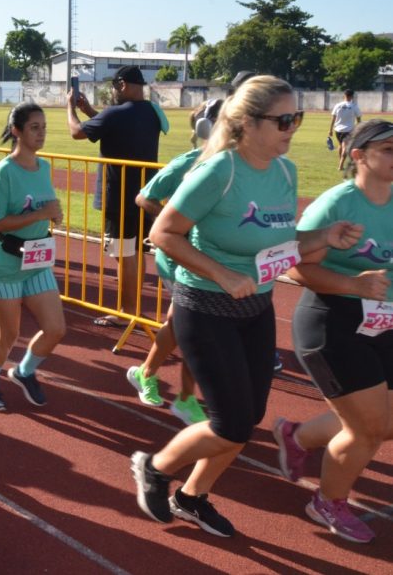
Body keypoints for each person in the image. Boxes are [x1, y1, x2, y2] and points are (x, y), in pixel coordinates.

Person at [132, 75, 361, 539]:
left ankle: (191, 497)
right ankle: (154, 467)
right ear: (248, 123)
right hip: (205, 305)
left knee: (249, 416)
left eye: (296, 116)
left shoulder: (284, 171)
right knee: (231, 423)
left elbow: (280, 242)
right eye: (284, 119)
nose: (293, 126)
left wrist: (323, 238)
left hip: (255, 307)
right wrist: (223, 273)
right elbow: (163, 233)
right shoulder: (219, 171)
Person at [274, 119, 393, 543]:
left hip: (383, 320)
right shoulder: (337, 204)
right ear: (358, 155)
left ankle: (297, 435)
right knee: (367, 430)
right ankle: (326, 501)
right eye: (390, 149)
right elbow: (292, 263)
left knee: (385, 422)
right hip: (332, 321)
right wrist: (353, 284)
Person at [0, 102, 66, 410]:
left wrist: (53, 215)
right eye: (34, 127)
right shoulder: (4, 172)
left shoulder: (44, 167)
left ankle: (24, 371)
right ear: (16, 131)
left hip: (37, 260)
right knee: (9, 333)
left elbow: (43, 206)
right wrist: (40, 212)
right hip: (5, 262)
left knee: (56, 328)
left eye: (44, 127)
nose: (41, 134)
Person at [68, 65, 165, 320]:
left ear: (122, 84)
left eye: (113, 87)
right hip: (145, 196)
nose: (112, 93)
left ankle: (126, 312)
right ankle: (134, 309)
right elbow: (117, 127)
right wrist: (89, 111)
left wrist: (70, 107)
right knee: (136, 252)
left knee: (123, 254)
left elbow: (77, 132)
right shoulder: (151, 112)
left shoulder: (115, 113)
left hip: (118, 196)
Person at [127, 134, 209, 426]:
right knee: (193, 328)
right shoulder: (186, 164)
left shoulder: (238, 166)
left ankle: (146, 373)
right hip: (177, 260)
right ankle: (185, 396)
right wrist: (173, 225)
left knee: (178, 325)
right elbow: (143, 197)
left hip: (207, 263)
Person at [329, 89, 362, 172]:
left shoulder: (338, 105)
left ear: (344, 95)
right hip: (348, 130)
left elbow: (333, 118)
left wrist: (330, 130)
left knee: (340, 145)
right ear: (352, 96)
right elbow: (358, 119)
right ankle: (340, 166)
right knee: (345, 147)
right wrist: (360, 129)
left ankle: (340, 162)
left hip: (338, 130)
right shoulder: (354, 106)